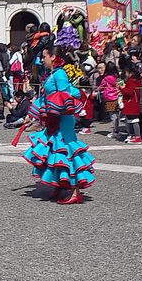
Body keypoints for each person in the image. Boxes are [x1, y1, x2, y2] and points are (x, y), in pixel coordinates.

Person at [22, 47, 95, 204]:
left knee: (66, 150)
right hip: (54, 118)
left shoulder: (59, 74)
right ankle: (60, 184)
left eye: (44, 56)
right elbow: (49, 96)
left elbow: (64, 95)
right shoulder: (52, 74)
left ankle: (75, 190)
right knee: (54, 150)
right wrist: (34, 113)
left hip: (62, 118)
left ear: (53, 57)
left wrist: (50, 109)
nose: (42, 60)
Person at [118, 58, 142, 144]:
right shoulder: (134, 81)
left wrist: (122, 88)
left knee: (133, 120)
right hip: (131, 102)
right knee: (129, 119)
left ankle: (137, 136)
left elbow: (129, 92)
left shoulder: (131, 81)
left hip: (131, 103)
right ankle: (132, 135)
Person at [99, 62, 120, 138]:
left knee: (112, 115)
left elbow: (100, 87)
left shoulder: (105, 78)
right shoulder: (117, 77)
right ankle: (117, 129)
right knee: (117, 115)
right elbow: (122, 85)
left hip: (109, 98)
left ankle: (115, 131)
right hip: (117, 97)